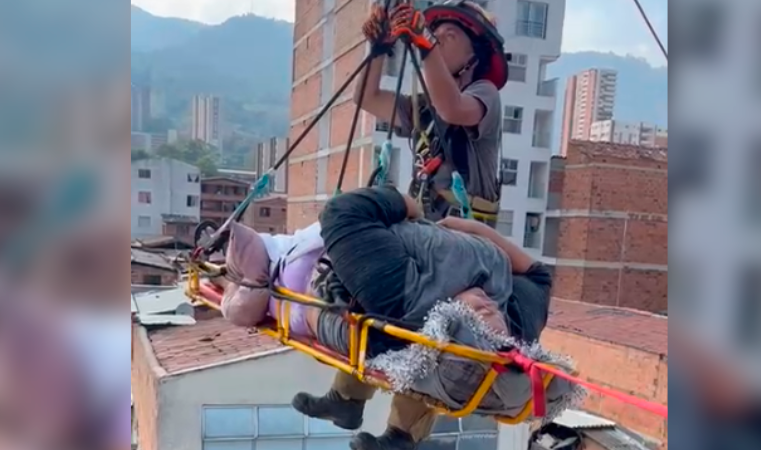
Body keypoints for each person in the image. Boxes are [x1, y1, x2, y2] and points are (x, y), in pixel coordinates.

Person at [215, 187, 565, 450]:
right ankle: (353, 405)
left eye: (470, 323)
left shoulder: (403, 292)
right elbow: (538, 273)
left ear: (444, 319)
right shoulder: (519, 317)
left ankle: (370, 415)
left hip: (387, 261)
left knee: (382, 342)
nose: (486, 316)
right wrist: (472, 228)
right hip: (444, 220)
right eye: (495, 333)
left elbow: (343, 212)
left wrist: (408, 208)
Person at [356, 0, 509, 226]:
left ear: (475, 55)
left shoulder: (485, 95)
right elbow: (368, 98)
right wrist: (379, 47)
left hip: (467, 239)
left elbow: (452, 108)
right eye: (435, 33)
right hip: (426, 229)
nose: (438, 39)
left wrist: (427, 45)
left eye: (450, 35)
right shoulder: (423, 110)